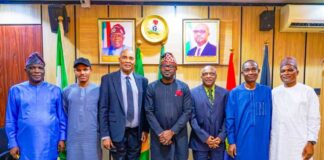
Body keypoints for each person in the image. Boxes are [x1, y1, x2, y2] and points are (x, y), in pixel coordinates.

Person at [5, 52, 66, 160]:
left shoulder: (55, 91)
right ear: (26, 70)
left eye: (40, 68)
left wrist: (62, 138)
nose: (36, 71)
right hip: (25, 144)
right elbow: (10, 120)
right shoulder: (16, 90)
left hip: (50, 142)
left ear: (44, 70)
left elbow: (61, 117)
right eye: (32, 68)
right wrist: (12, 143)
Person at [99, 49, 149, 159]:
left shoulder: (143, 81)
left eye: (131, 58)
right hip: (116, 133)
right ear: (119, 60)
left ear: (135, 61)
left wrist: (145, 129)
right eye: (124, 57)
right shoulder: (108, 80)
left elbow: (145, 108)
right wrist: (105, 135)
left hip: (136, 134)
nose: (128, 61)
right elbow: (103, 109)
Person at [270, 57, 320, 160]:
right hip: (278, 144)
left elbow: (314, 119)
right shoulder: (274, 93)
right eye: (283, 71)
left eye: (290, 70)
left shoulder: (308, 92)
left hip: (299, 144)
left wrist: (311, 142)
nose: (286, 73)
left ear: (297, 72)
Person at [145, 52, 192, 160]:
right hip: (158, 137)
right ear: (160, 68)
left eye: (170, 66)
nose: (167, 69)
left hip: (179, 136)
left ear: (176, 69)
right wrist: (161, 134)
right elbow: (148, 111)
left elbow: (187, 111)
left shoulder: (183, 87)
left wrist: (172, 132)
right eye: (164, 66)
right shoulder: (151, 88)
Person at [226, 60, 272, 160]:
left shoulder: (267, 91)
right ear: (242, 73)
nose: (251, 72)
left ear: (258, 71)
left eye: (253, 69)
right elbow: (230, 119)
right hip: (241, 140)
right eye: (247, 70)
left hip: (262, 140)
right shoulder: (234, 93)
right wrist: (231, 142)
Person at [63, 57, 101, 160]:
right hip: (73, 137)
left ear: (90, 70)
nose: (82, 73)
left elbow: (102, 115)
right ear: (74, 72)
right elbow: (65, 113)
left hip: (92, 138)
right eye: (78, 70)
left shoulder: (99, 90)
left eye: (85, 69)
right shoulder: (67, 91)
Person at [189, 65, 228, 160]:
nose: (208, 76)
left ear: (216, 76)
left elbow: (228, 117)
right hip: (199, 143)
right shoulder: (192, 93)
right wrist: (205, 138)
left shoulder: (225, 93)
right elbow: (191, 118)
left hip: (218, 143)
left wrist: (221, 136)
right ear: (201, 76)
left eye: (212, 74)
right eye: (205, 74)